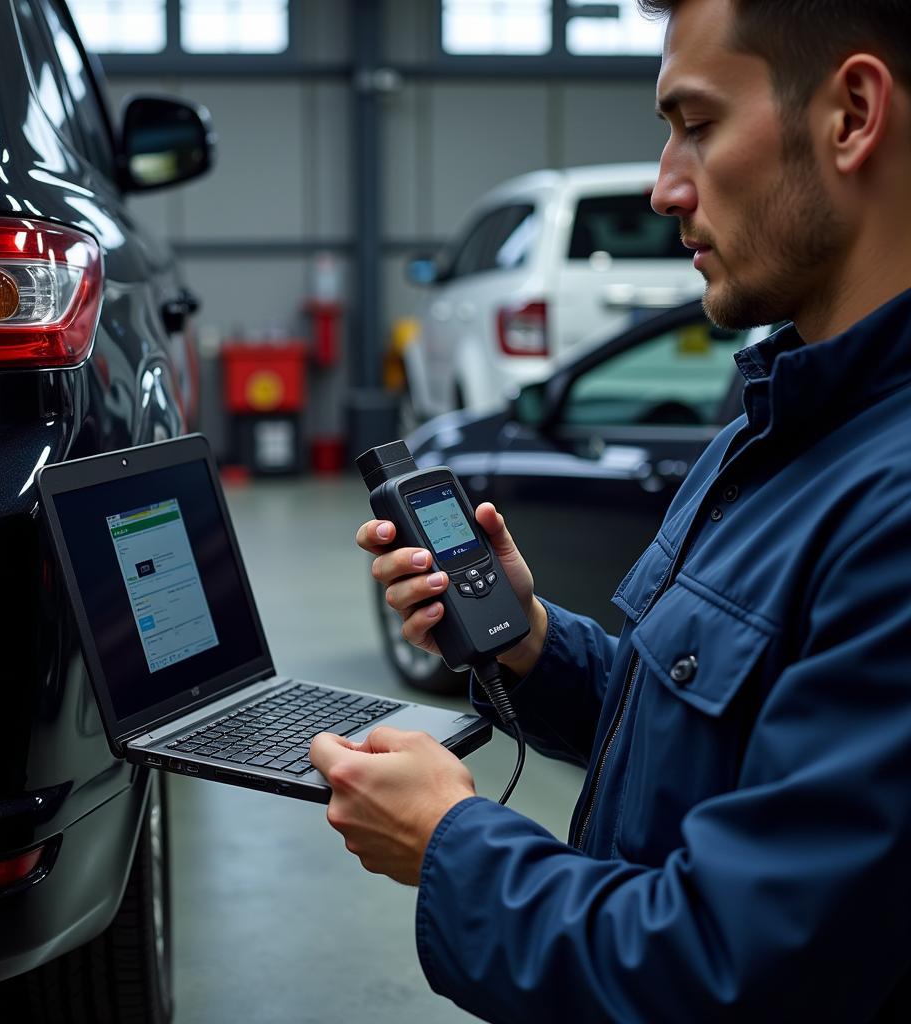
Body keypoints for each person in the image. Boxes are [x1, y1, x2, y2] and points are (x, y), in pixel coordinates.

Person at [308, 0, 911, 1018]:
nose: (664, 185)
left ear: (850, 115)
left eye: (697, 122)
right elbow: (714, 744)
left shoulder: (890, 506)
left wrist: (450, 843)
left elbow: (729, 968)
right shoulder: (778, 420)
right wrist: (532, 645)